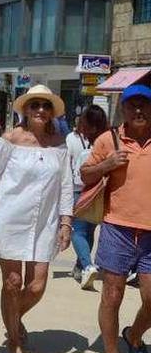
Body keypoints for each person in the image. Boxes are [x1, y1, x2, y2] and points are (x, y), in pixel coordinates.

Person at [0, 84, 73, 353]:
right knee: (12, 284)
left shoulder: (60, 144)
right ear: (25, 109)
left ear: (51, 113)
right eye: (34, 105)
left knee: (36, 286)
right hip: (11, 219)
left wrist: (66, 221)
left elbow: (65, 185)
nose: (40, 110)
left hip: (45, 223)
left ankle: (13, 319)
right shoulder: (10, 140)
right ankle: (14, 341)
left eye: (45, 106)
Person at [80, 84, 151, 353]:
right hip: (116, 227)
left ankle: (133, 335)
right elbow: (84, 174)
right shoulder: (108, 140)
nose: (138, 110)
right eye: (132, 105)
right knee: (112, 294)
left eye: (144, 105)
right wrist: (108, 164)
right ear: (122, 109)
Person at [66, 106, 109, 289]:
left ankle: (88, 265)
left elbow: (66, 166)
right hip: (99, 190)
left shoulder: (71, 139)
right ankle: (80, 266)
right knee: (88, 231)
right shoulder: (108, 140)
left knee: (77, 231)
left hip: (79, 189)